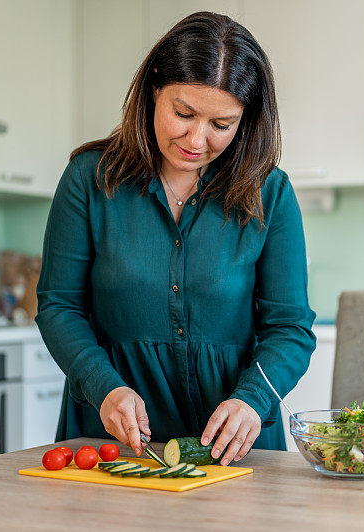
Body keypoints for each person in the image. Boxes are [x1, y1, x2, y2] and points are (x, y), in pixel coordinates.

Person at [35, 11, 315, 467]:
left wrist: (253, 400)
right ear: (152, 92)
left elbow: (290, 328)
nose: (196, 139)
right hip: (112, 440)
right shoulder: (90, 178)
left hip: (234, 447)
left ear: (246, 120)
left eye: (221, 124)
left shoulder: (271, 192)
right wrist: (103, 386)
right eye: (183, 113)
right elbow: (58, 306)